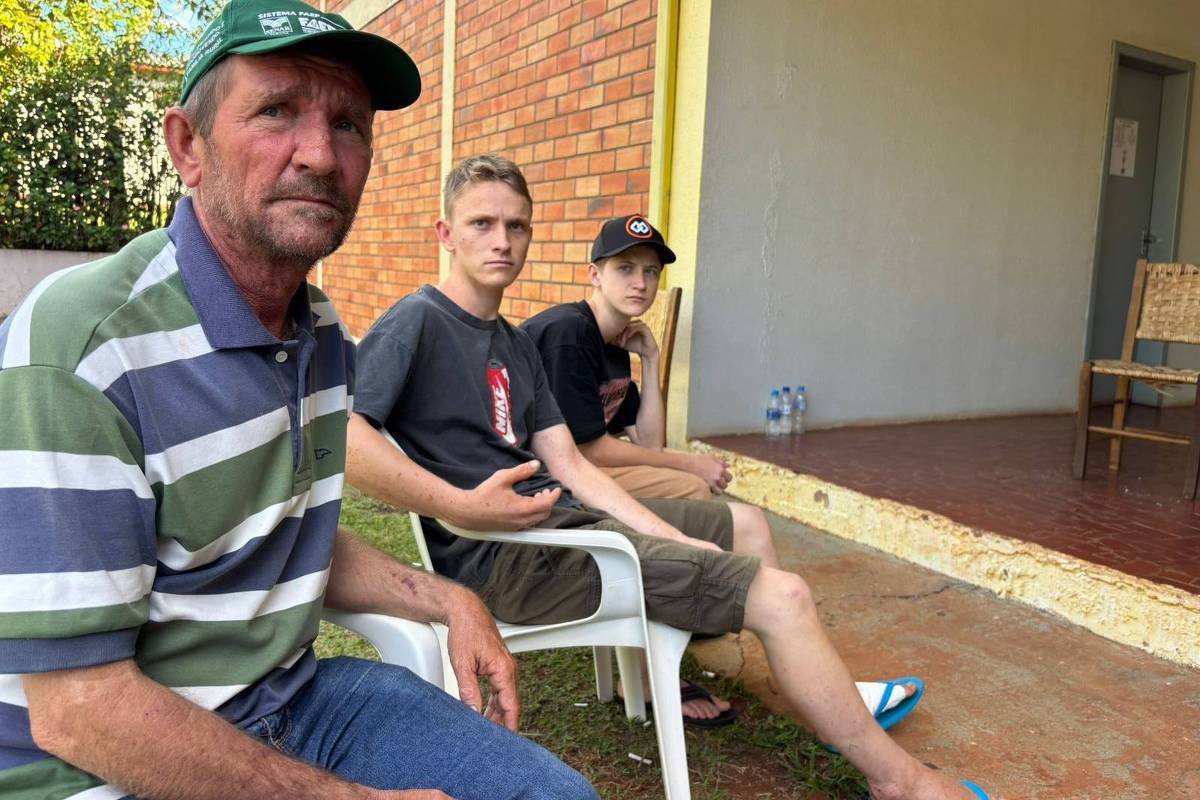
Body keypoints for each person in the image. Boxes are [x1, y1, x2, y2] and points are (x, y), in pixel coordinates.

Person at [0, 4, 596, 799]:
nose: (319, 154)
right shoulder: (87, 345)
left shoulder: (315, 329)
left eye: (348, 124)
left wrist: (446, 596)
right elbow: (78, 709)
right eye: (276, 110)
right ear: (189, 147)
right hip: (107, 766)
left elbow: (278, 534)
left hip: (293, 702)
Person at [345, 154, 995, 800]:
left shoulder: (514, 345)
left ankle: (810, 694)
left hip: (569, 529)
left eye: (517, 226)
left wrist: (670, 536)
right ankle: (901, 783)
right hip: (512, 565)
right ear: (445, 233)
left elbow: (573, 464)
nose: (502, 241)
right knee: (784, 597)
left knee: (740, 531)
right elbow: (345, 436)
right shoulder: (418, 322)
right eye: (482, 223)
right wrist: (461, 503)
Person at [520, 215, 730, 501]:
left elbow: (650, 443)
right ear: (595, 275)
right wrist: (689, 463)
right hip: (533, 478)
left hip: (572, 469)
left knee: (687, 481)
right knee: (691, 488)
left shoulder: (616, 341)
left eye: (651, 271)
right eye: (626, 268)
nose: (641, 283)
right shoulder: (569, 333)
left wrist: (650, 359)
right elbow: (588, 448)